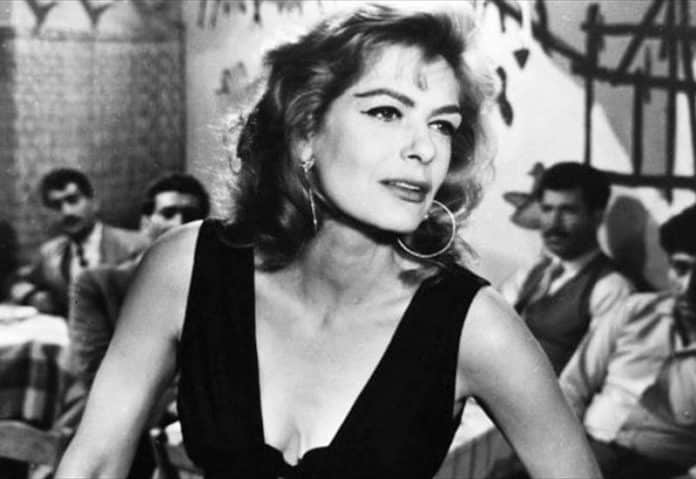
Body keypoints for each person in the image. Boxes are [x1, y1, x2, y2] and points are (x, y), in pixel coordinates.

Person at [56, 5, 600, 479]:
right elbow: (96, 462)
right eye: (387, 112)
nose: (424, 149)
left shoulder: (475, 324)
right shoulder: (185, 267)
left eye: (442, 125)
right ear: (305, 131)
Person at [57, 172, 210, 479]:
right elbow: (97, 376)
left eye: (191, 216)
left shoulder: (216, 290)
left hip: (184, 437)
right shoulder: (98, 285)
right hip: (110, 435)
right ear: (145, 222)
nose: (180, 223)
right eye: (168, 213)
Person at [560, 204, 696, 479]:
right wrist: (562, 455)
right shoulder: (634, 310)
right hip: (584, 452)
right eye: (681, 268)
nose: (689, 288)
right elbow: (572, 387)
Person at [500, 162, 634, 373]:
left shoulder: (611, 288)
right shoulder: (534, 273)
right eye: (547, 209)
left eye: (568, 211)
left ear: (597, 216)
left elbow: (587, 377)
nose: (553, 223)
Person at [6, 168, 146, 315]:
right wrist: (32, 296)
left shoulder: (135, 246)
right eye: (56, 205)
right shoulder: (50, 254)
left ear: (94, 202)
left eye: (73, 200)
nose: (67, 212)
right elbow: (16, 281)